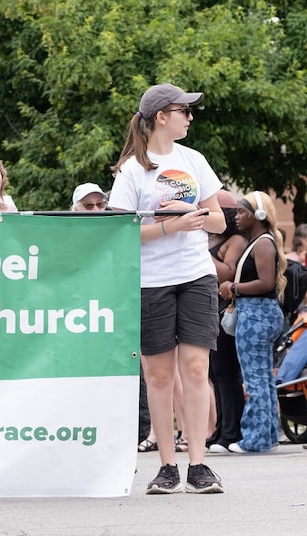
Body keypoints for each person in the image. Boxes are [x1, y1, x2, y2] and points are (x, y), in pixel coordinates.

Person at [109, 83, 226, 494]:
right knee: (159, 378)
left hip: (196, 275)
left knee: (196, 370)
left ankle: (199, 464)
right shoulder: (131, 170)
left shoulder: (193, 159)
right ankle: (166, 466)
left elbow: (219, 222)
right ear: (162, 116)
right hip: (150, 282)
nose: (189, 118)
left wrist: (190, 213)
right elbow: (119, 234)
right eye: (184, 111)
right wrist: (168, 226)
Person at [218, 191, 286, 453]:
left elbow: (266, 283)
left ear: (259, 215)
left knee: (255, 379)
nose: (236, 216)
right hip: (262, 313)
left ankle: (256, 439)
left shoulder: (262, 243)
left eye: (241, 212)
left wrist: (233, 287)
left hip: (256, 315)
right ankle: (267, 435)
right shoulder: (262, 241)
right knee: (264, 378)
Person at [206, 190, 247, 452]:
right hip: (209, 308)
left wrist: (200, 250)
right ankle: (221, 429)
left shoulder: (236, 240)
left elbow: (228, 273)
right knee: (214, 373)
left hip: (227, 310)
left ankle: (232, 432)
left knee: (227, 373)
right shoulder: (212, 238)